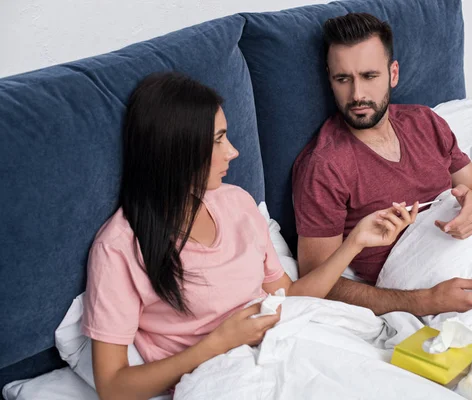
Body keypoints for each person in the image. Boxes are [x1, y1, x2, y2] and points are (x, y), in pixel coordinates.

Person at [81, 72, 415, 400]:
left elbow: (288, 295)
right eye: (217, 140)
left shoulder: (237, 203)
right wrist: (216, 344)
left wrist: (355, 241)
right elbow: (113, 387)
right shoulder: (119, 247)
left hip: (287, 341)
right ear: (175, 149)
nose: (233, 151)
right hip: (222, 374)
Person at [292, 13, 472, 317]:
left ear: (393, 74)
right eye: (343, 79)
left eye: (369, 76)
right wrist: (425, 302)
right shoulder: (324, 165)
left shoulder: (426, 123)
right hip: (427, 297)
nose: (357, 95)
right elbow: (318, 284)